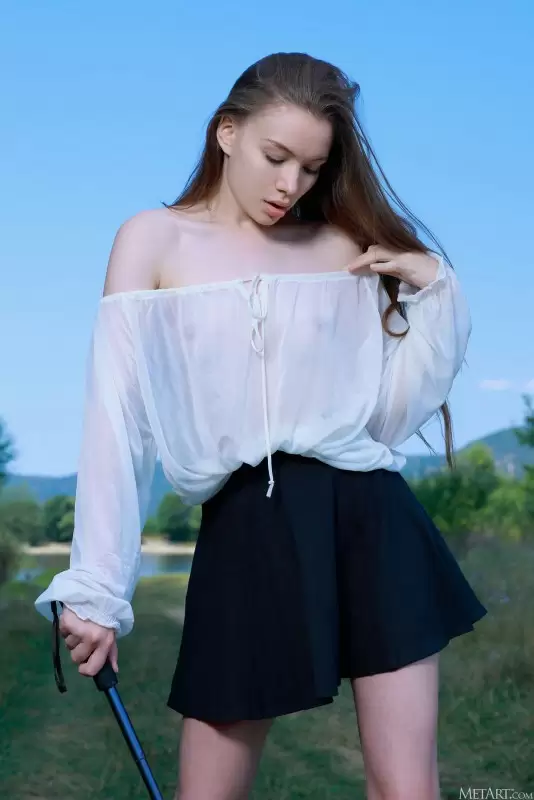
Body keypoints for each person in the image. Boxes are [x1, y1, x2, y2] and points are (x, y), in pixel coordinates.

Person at [34, 52, 487, 799]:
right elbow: (118, 419)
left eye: (311, 168)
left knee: (407, 789)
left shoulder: (342, 247)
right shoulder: (152, 240)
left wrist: (435, 287)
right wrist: (97, 586)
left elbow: (383, 418)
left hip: (373, 522)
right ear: (227, 132)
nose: (291, 185)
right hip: (247, 527)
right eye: (276, 158)